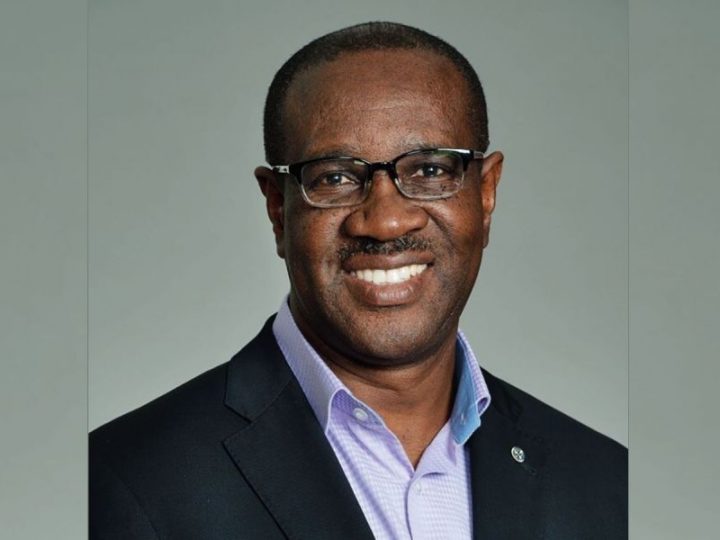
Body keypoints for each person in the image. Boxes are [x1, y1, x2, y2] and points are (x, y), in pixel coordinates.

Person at [90, 21, 627, 539]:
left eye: (430, 170)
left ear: (485, 195)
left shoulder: (605, 483)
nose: (385, 220)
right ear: (278, 210)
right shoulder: (124, 483)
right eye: (336, 178)